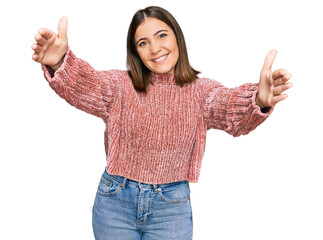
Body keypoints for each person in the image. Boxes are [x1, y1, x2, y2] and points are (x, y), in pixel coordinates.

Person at [31, 6, 292, 240]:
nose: (155, 49)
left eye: (162, 35)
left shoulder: (200, 93)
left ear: (177, 36)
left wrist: (257, 99)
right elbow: (87, 86)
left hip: (171, 208)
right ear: (135, 51)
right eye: (143, 42)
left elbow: (226, 107)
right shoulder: (121, 86)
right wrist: (59, 61)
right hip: (114, 202)